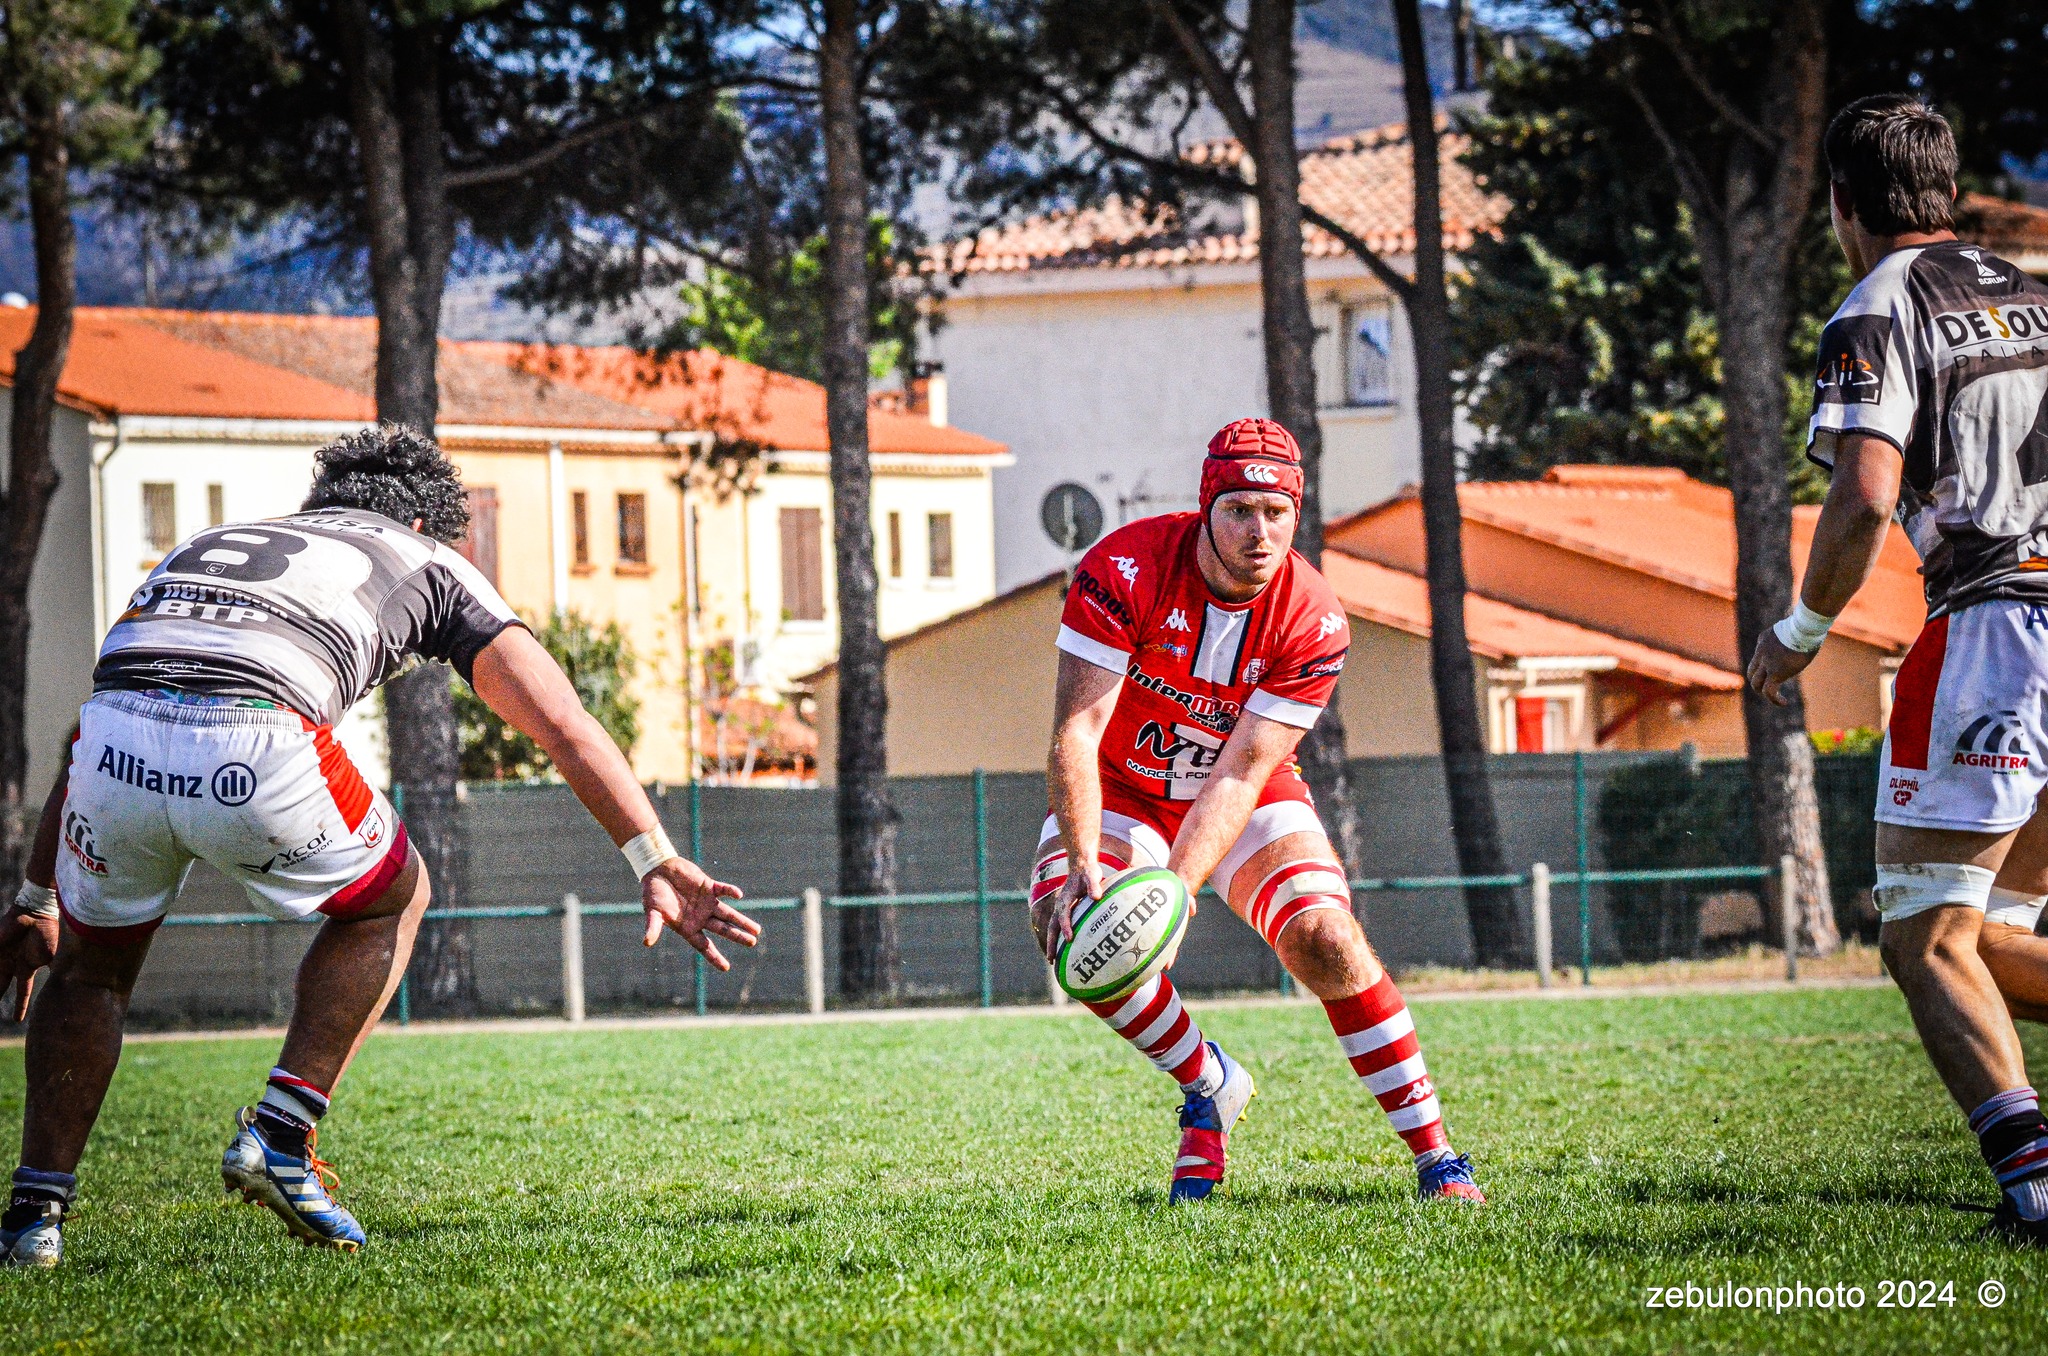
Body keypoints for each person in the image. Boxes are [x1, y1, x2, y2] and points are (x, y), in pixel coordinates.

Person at [0, 426, 760, 1266]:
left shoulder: (207, 543)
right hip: (258, 739)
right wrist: (652, 857)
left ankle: (34, 1218)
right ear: (431, 526)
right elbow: (564, 726)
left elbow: (88, 727)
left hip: (111, 753)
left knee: (90, 971)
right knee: (394, 898)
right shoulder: (427, 561)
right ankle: (281, 1137)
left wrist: (37, 900)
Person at [1031, 417, 1483, 1204]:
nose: (1259, 531)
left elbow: (1242, 769)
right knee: (1081, 938)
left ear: (1296, 515)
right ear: (1206, 507)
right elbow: (1078, 728)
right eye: (1239, 509)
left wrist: (1170, 895)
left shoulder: (1315, 617)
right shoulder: (1123, 568)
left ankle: (1437, 1156)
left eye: (1277, 513)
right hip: (1127, 788)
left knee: (1327, 937)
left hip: (1245, 793)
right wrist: (1081, 872)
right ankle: (1211, 1085)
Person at [1747, 94, 2048, 1244]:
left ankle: (2031, 1190)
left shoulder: (1874, 306)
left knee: (1921, 938)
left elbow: (1865, 494)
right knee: (1996, 935)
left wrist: (1801, 630)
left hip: (1993, 628)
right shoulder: (2031, 290)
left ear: (1839, 205)